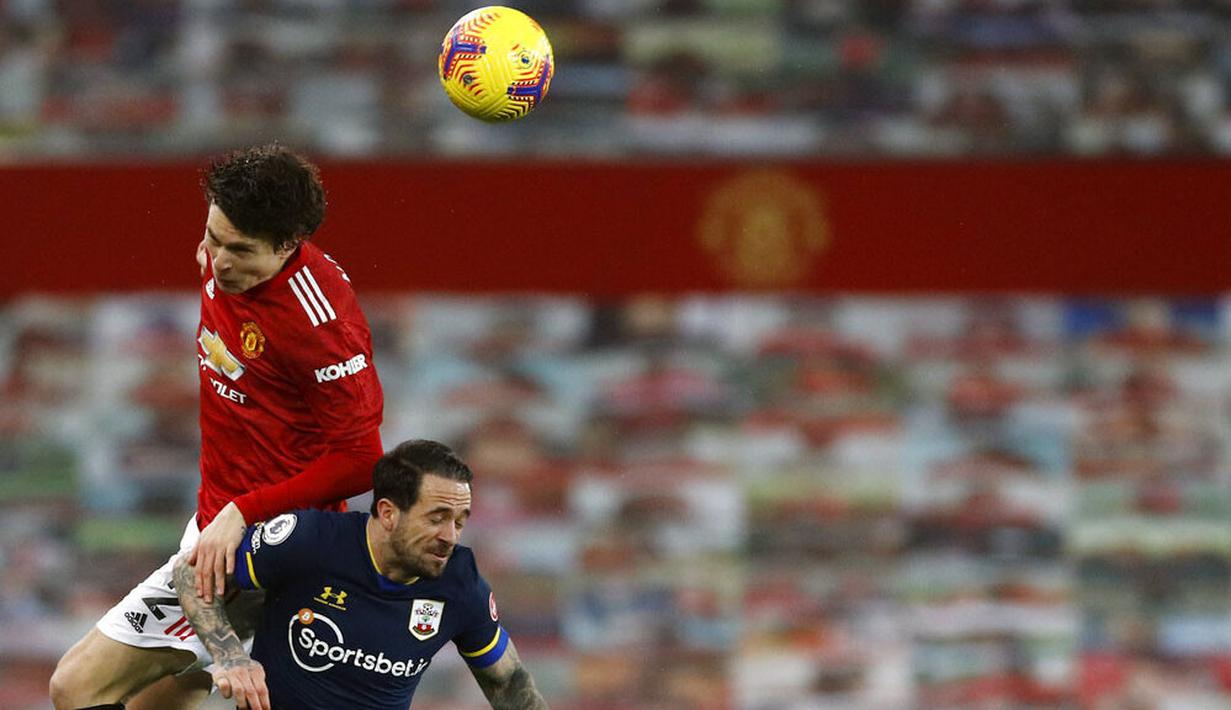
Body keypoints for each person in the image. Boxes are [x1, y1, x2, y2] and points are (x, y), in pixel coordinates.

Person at [50, 144, 386, 710]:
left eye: (240, 250)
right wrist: (215, 250)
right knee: (154, 703)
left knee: (76, 688)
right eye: (213, 237)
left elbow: (362, 459)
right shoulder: (229, 263)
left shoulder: (319, 324)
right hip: (216, 528)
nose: (220, 261)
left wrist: (242, 512)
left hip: (262, 550)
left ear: (287, 246)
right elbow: (220, 261)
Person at [173, 439, 548, 710]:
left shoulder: (460, 586)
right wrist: (231, 656)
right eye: (436, 518)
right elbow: (189, 573)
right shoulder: (309, 540)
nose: (450, 536)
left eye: (459, 522)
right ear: (387, 513)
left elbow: (509, 683)